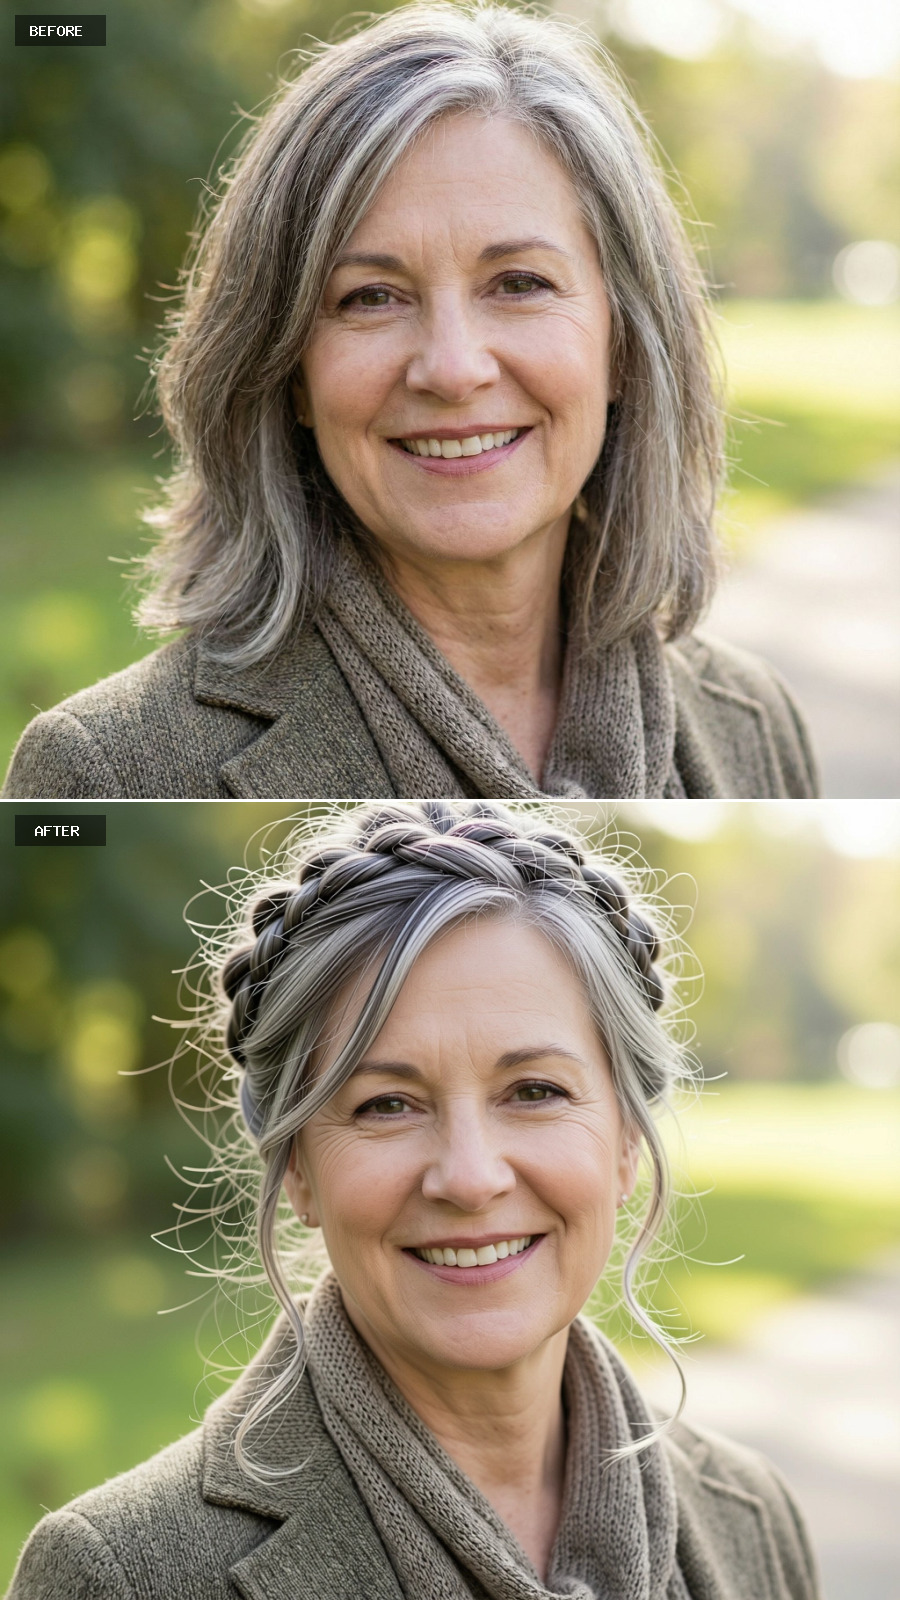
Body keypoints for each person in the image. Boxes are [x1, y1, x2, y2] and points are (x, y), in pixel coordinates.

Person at [3, 4, 818, 802]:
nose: (453, 368)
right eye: (371, 297)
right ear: (288, 372)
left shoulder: (754, 722)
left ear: (626, 346)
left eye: (520, 283)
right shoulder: (106, 771)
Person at [8, 801, 822, 1598]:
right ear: (297, 1167)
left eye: (534, 1090)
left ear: (625, 1141)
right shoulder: (119, 1575)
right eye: (385, 1105)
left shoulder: (750, 1518)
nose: (469, 1179)